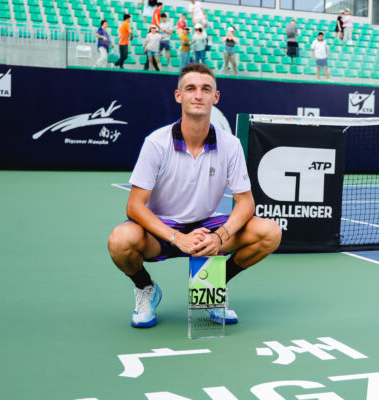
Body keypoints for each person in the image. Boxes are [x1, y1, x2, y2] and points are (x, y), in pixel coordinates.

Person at [107, 63, 282, 328]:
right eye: (190, 88)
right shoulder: (156, 143)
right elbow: (135, 206)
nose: (198, 95)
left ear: (216, 97)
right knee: (120, 241)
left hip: (207, 227)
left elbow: (245, 202)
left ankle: (212, 285)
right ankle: (146, 288)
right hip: (162, 230)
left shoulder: (230, 145)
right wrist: (178, 238)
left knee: (270, 232)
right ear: (179, 96)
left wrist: (218, 236)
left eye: (205, 89)